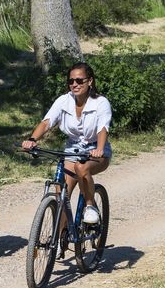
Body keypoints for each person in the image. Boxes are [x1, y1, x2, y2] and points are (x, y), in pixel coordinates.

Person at [20, 62, 111, 224]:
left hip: (95, 150)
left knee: (81, 167)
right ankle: (59, 240)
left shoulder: (100, 102)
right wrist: (32, 140)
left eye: (79, 81)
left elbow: (102, 128)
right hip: (72, 149)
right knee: (62, 194)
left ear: (90, 81)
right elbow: (47, 122)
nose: (74, 85)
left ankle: (90, 206)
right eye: (71, 81)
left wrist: (99, 149)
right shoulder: (63, 100)